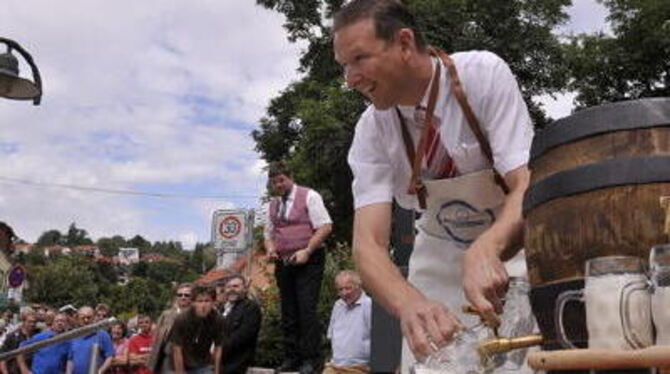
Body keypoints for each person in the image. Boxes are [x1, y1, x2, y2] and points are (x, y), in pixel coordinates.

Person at [333, 0, 533, 371]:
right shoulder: (370, 131)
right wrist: (409, 303)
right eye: (344, 66)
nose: (350, 78)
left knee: (519, 363)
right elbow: (368, 245)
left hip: (511, 253)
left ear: (405, 44)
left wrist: (487, 248)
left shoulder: (483, 75)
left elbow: (525, 185)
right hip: (437, 263)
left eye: (359, 59)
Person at [263, 161, 333, 374]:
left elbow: (325, 227)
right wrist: (270, 249)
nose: (279, 185)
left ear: (290, 177)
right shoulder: (272, 205)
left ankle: (312, 360)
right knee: (288, 311)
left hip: (309, 259)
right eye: (275, 182)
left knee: (306, 310)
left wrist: (307, 251)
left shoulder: (309, 196)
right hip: (284, 261)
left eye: (281, 180)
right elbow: (268, 234)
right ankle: (291, 358)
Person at [169, 285, 225, 374]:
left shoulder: (218, 319)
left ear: (213, 302)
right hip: (181, 362)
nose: (203, 305)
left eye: (207, 301)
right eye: (200, 301)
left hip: (203, 363)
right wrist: (180, 372)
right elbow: (176, 349)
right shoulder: (182, 319)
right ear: (193, 303)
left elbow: (218, 348)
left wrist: (216, 371)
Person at [324, 271, 372, 374]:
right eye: (340, 289)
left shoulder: (368, 305)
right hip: (335, 365)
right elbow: (332, 335)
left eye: (348, 288)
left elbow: (380, 340)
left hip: (360, 367)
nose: (344, 293)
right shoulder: (338, 305)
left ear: (358, 286)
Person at [219, 274, 262, 374]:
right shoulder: (221, 309)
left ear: (244, 288)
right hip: (216, 363)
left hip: (235, 365)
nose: (231, 290)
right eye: (228, 287)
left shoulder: (250, 308)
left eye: (236, 286)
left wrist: (217, 351)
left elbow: (241, 337)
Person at [147, 283, 193, 374]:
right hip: (168, 361)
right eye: (180, 295)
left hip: (189, 362)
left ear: (192, 297)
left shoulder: (197, 315)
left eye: (187, 295)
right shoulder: (166, 315)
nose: (183, 297)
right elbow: (156, 338)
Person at [66, 306, 115, 374]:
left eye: (89, 317)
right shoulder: (74, 336)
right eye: (83, 318)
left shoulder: (103, 335)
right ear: (78, 319)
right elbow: (70, 359)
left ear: (94, 318)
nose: (86, 320)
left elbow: (110, 357)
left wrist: (99, 372)